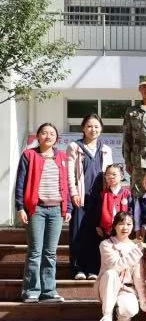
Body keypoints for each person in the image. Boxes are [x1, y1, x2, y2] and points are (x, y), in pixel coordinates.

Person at [15, 123, 72, 303]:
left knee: (50, 252)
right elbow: (20, 183)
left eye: (52, 133)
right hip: (36, 209)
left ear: (57, 138)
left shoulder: (61, 156)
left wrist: (68, 207)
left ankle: (48, 291)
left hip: (56, 210)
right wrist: (20, 207)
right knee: (35, 251)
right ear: (38, 136)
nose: (48, 136)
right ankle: (31, 291)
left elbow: (66, 184)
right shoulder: (29, 155)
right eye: (44, 133)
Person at [67, 114, 113, 279]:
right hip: (80, 197)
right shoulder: (75, 147)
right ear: (83, 128)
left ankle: (94, 269)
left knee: (97, 233)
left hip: (99, 198)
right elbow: (69, 174)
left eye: (96, 126)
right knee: (78, 233)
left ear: (101, 129)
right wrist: (73, 193)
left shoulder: (105, 149)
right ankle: (78, 268)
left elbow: (110, 174)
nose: (93, 129)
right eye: (89, 126)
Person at [95, 211, 146, 321]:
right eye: (121, 224)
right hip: (108, 285)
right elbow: (116, 265)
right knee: (111, 273)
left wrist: (144, 302)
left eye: (129, 224)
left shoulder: (135, 247)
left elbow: (138, 277)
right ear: (115, 226)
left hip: (126, 288)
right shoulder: (106, 244)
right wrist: (137, 252)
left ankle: (120, 313)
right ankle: (107, 315)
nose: (125, 227)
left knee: (130, 310)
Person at [96, 164, 133, 238]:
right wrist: (98, 226)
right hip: (106, 230)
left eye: (114, 174)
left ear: (121, 176)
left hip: (124, 230)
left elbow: (131, 211)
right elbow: (98, 212)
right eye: (108, 175)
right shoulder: (103, 194)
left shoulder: (127, 194)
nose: (111, 177)